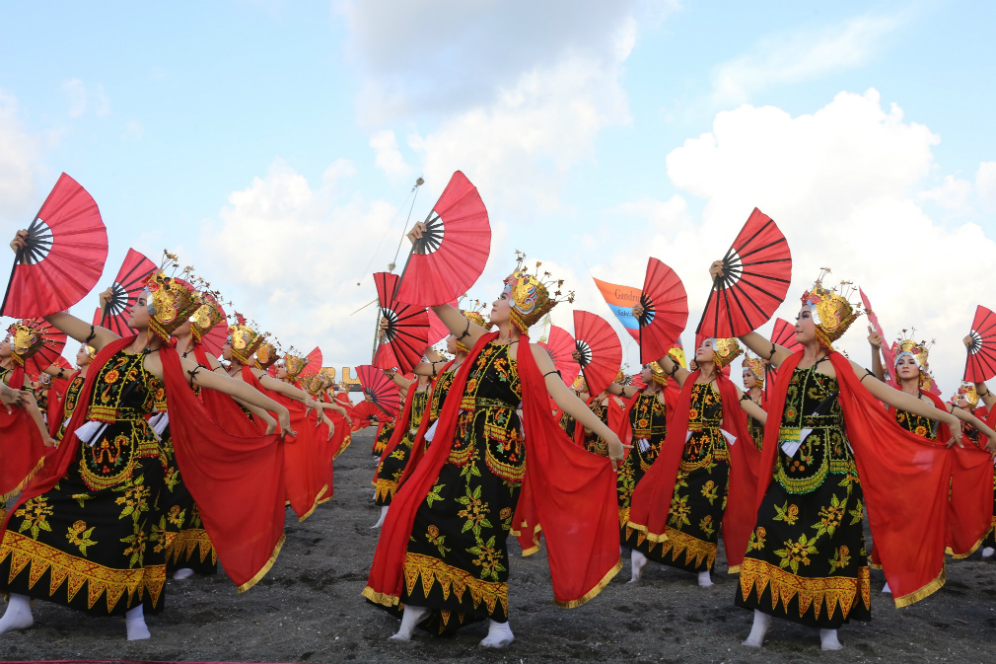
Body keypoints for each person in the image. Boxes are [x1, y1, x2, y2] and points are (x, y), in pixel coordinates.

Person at [0, 243, 292, 640]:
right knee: (30, 512)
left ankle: (134, 614)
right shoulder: (106, 341)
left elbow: (220, 382)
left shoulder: (163, 360)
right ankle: (19, 608)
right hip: (85, 453)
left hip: (136, 460)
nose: (132, 306)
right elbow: (53, 314)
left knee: (129, 535)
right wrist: (29, 261)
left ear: (160, 314)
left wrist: (278, 409)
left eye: (141, 301)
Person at [363, 250, 627, 649]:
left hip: (499, 456)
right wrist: (422, 252)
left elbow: (563, 397)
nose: (495, 300)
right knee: (423, 513)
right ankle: (418, 606)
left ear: (519, 307)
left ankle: (499, 623)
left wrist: (607, 434)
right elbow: (439, 304)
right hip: (455, 448)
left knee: (483, 534)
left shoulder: (533, 353)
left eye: (503, 295)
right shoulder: (480, 341)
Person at [730, 268, 962, 651]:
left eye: (804, 315)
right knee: (768, 537)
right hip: (787, 468)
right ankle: (761, 620)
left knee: (830, 546)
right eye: (799, 314)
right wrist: (726, 288)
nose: (796, 320)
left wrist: (948, 415)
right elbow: (745, 334)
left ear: (822, 323)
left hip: (833, 471)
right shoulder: (786, 359)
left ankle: (828, 628)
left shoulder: (843, 368)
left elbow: (892, 397)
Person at [625, 333, 767, 588]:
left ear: (720, 353)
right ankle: (649, 550)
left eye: (707, 345)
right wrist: (646, 326)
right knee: (669, 499)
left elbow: (757, 413)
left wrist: (786, 428)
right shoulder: (686, 378)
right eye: (700, 344)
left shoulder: (728, 387)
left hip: (714, 456)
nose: (700, 347)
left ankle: (703, 569)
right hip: (683, 451)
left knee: (707, 513)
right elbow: (661, 359)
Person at [868, 332, 996, 572]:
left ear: (921, 368)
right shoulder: (891, 398)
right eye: (900, 361)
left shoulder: (934, 403)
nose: (905, 365)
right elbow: (876, 383)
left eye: (911, 361)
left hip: (927, 472)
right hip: (895, 468)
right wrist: (875, 350)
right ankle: (895, 568)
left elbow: (967, 417)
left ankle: (915, 567)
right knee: (894, 518)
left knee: (920, 520)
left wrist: (992, 434)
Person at [742, 352, 767, 449]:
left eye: (748, 375)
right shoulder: (742, 398)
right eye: (743, 376)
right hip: (747, 444)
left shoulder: (767, 398)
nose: (745, 379)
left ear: (757, 376)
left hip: (765, 445)